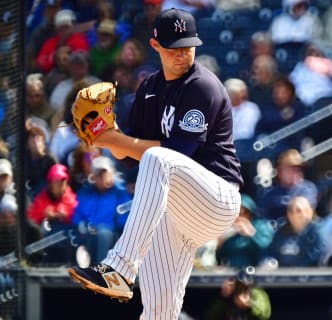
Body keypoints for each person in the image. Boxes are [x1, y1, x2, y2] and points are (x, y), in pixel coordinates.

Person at [68, 9, 243, 320]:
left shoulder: (202, 86)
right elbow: (125, 151)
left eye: (188, 45)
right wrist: (101, 137)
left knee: (158, 158)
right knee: (158, 310)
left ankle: (119, 269)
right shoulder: (149, 87)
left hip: (216, 199)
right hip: (176, 210)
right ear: (155, 45)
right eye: (174, 47)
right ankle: (126, 278)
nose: (182, 54)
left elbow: (177, 152)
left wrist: (111, 139)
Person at [72, 156, 132, 264]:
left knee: (103, 234)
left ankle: (101, 272)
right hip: (88, 233)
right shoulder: (85, 192)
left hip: (112, 235)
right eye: (99, 174)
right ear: (94, 177)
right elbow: (77, 214)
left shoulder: (120, 193)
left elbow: (125, 220)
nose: (103, 177)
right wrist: (83, 225)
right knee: (72, 237)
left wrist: (105, 227)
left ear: (112, 173)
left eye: (106, 173)